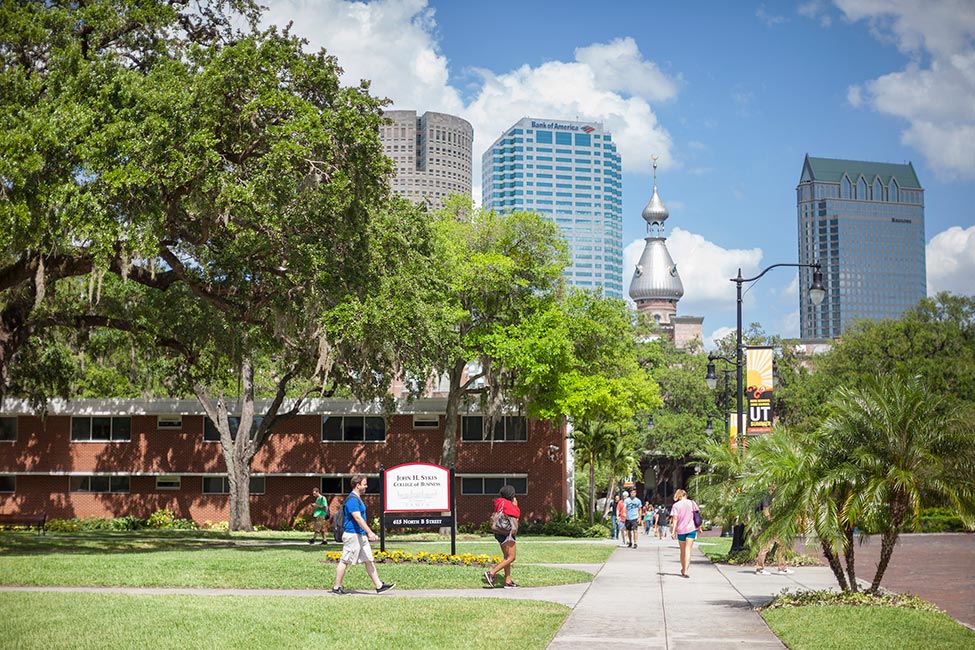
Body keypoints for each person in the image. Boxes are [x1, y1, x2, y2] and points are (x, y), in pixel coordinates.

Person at [331, 474, 395, 595]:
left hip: (360, 535)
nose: (367, 486)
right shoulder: (352, 500)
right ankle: (336, 587)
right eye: (364, 483)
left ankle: (379, 586)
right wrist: (370, 532)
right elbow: (358, 518)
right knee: (344, 560)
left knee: (368, 560)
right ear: (357, 485)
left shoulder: (357, 499)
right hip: (352, 535)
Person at [484, 485, 521, 588]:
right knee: (512, 557)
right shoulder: (508, 504)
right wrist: (516, 505)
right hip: (507, 533)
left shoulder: (499, 502)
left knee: (506, 557)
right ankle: (491, 574)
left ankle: (508, 581)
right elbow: (516, 514)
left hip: (499, 532)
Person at [755, 491, 793, 575]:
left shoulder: (773, 496)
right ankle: (760, 569)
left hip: (773, 526)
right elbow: (766, 511)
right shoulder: (765, 496)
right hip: (767, 527)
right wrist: (771, 522)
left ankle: (782, 568)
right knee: (765, 547)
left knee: (782, 544)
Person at [670, 489, 700, 578]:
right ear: (685, 495)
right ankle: (686, 570)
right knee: (688, 550)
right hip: (691, 529)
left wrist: (673, 531)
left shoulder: (676, 505)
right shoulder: (692, 503)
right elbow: (697, 516)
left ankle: (683, 568)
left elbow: (675, 519)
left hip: (681, 530)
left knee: (682, 551)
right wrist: (699, 527)